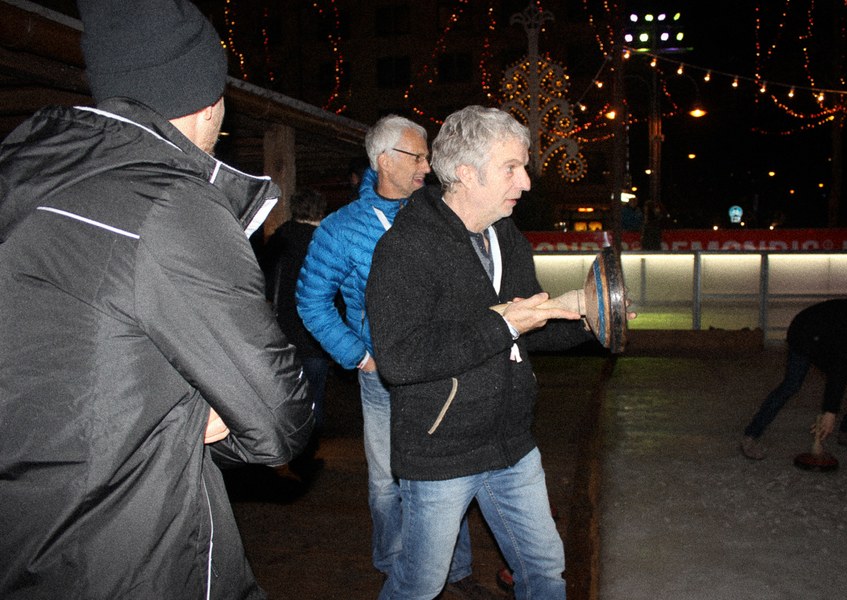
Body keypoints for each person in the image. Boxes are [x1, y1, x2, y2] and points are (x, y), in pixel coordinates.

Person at [0, 1, 314, 598]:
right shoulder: (169, 204)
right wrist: (196, 417)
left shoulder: (18, 176)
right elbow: (278, 420)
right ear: (209, 103)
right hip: (129, 553)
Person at [366, 105, 598, 600]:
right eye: (511, 168)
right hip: (442, 453)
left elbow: (524, 335)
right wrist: (503, 322)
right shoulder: (406, 248)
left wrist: (586, 321)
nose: (526, 182)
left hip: (511, 442)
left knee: (545, 572)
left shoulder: (506, 237)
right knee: (419, 585)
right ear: (466, 173)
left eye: (524, 167)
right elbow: (400, 358)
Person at [296, 115, 491, 597]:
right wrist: (360, 357)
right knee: (387, 481)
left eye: (428, 156)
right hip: (382, 377)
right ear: (384, 160)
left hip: (440, 368)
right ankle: (393, 565)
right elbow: (311, 301)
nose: (427, 166)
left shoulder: (439, 211)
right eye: (417, 156)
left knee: (448, 471)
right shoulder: (341, 228)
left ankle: (456, 569)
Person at [741, 298, 847, 460]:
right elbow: (840, 367)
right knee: (791, 384)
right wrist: (830, 412)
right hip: (805, 332)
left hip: (834, 338)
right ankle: (751, 435)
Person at [263, 187, 329, 433]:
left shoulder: (279, 240)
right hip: (316, 333)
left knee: (288, 394)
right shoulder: (326, 241)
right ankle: (312, 438)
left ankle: (291, 437)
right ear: (320, 210)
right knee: (315, 392)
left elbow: (265, 285)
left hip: (283, 330)